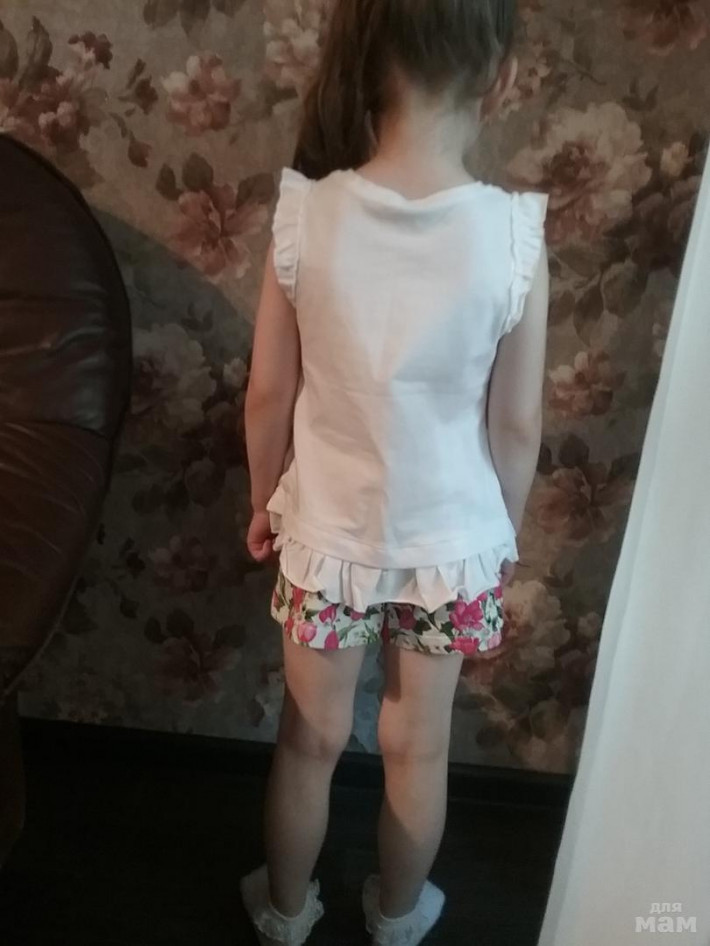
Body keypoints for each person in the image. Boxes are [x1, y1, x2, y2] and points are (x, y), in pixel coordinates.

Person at [241, 1, 549, 943]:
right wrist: (499, 537)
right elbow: (517, 424)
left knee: (310, 738)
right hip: (451, 548)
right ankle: (398, 914)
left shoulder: (307, 215)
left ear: (365, 62)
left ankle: (285, 912)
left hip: (325, 537)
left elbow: (267, 392)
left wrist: (261, 501)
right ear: (501, 77)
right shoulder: (513, 237)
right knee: (420, 748)